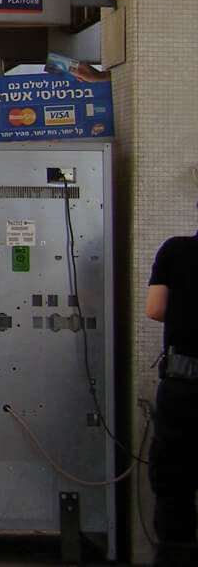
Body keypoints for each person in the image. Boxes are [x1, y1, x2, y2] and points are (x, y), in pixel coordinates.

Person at [146, 226, 198, 565]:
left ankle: (178, 554)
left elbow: (154, 309)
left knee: (174, 481)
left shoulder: (175, 251)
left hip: (184, 383)